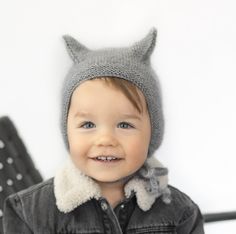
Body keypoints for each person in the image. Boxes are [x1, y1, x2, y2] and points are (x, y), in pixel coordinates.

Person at [3, 27, 205, 233]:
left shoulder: (180, 214)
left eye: (125, 125)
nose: (106, 139)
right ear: (68, 132)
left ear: (152, 134)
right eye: (88, 125)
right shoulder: (29, 213)